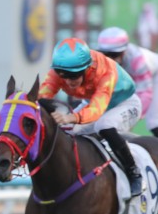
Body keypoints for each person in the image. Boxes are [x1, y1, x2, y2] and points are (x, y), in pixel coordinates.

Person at [39, 37, 143, 197]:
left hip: (125, 103)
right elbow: (42, 96)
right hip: (92, 103)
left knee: (103, 125)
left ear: (86, 68)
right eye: (63, 75)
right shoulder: (59, 71)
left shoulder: (105, 71)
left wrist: (71, 118)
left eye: (73, 75)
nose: (68, 81)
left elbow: (96, 110)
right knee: (68, 133)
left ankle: (133, 172)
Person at [97, 26, 158, 137]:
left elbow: (145, 94)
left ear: (124, 51)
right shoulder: (97, 60)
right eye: (106, 54)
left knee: (154, 122)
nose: (110, 59)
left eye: (115, 55)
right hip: (133, 81)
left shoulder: (137, 61)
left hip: (154, 77)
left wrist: (131, 117)